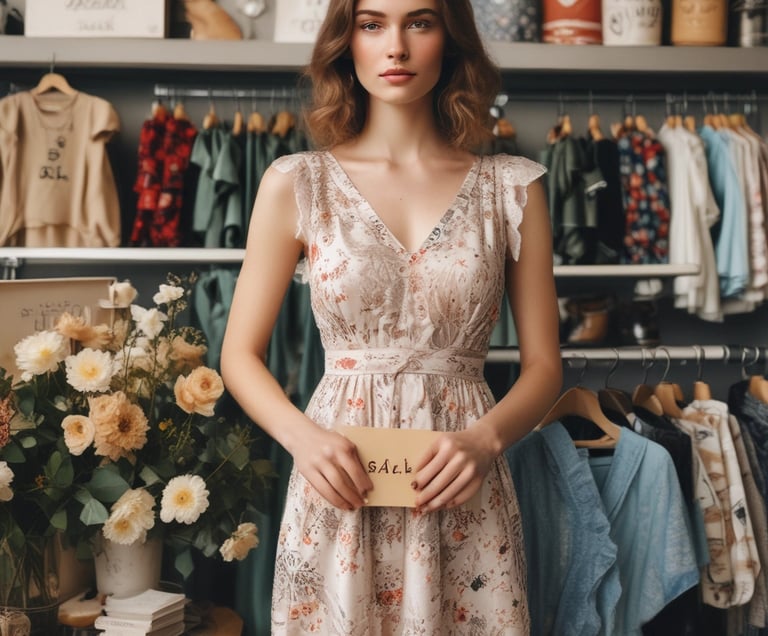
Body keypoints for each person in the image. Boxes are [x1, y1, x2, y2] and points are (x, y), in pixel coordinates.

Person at [220, 0, 562, 633]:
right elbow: (238, 355)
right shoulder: (297, 183)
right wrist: (303, 440)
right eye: (372, 24)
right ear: (346, 42)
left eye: (421, 23)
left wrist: (485, 441)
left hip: (460, 477)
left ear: (450, 39)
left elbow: (545, 367)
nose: (396, 46)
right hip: (339, 475)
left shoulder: (512, 188)